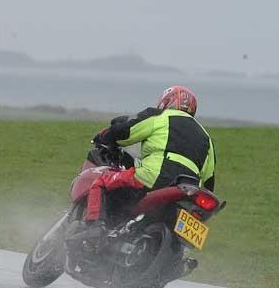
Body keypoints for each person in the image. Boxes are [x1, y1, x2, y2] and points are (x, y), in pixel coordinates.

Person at [79, 85, 216, 248]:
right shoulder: (206, 138)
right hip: (190, 190)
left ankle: (94, 231)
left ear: (167, 101)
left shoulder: (161, 116)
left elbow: (127, 132)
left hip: (155, 176)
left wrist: (105, 135)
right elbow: (209, 180)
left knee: (100, 183)